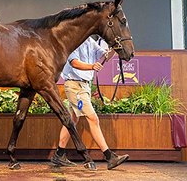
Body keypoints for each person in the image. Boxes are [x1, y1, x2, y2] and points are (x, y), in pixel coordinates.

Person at [51, 36, 129, 170]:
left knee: (71, 120)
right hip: (75, 86)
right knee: (93, 118)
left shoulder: (90, 41)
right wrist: (92, 66)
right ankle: (109, 156)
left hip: (85, 86)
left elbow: (104, 56)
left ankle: (59, 154)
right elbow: (74, 62)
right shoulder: (73, 40)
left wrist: (114, 48)